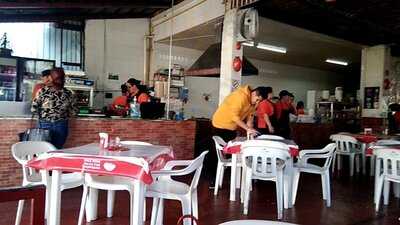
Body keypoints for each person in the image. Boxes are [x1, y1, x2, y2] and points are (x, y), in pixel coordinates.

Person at [31, 68, 77, 149]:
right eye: (59, 78)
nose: (60, 80)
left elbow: (34, 109)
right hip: (59, 124)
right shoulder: (70, 93)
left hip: (47, 124)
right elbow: (73, 112)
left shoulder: (42, 91)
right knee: (54, 149)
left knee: (45, 149)